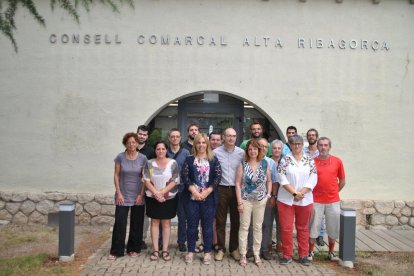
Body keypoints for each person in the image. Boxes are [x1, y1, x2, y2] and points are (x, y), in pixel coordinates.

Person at [181, 133, 222, 265]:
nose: (201, 145)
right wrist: (194, 190)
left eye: (204, 142)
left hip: (208, 199)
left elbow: (217, 178)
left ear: (207, 144)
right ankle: (191, 251)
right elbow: (185, 177)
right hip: (191, 198)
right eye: (199, 142)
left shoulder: (213, 159)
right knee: (192, 226)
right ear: (195, 144)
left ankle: (207, 253)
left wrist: (207, 192)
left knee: (207, 227)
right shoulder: (189, 159)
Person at [277, 134, 317, 266]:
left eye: (299, 144)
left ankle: (303, 255)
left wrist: (302, 193)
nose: (297, 146)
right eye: (294, 144)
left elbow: (313, 178)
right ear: (290, 145)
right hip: (286, 199)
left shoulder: (309, 160)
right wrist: (294, 193)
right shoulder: (285, 160)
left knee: (303, 228)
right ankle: (287, 254)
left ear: (302, 145)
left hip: (304, 199)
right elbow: (281, 177)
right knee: (287, 228)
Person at [108, 133, 148, 260]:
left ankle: (133, 249)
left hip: (138, 196)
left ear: (137, 143)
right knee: (120, 223)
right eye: (129, 142)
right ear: (125, 144)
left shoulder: (143, 158)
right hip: (122, 196)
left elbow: (146, 177)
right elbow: (116, 175)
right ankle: (116, 251)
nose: (131, 144)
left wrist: (141, 195)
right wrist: (118, 193)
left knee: (136, 223)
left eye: (134, 142)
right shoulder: (120, 157)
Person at [308, 137, 346, 262]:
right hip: (316, 200)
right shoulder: (311, 162)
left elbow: (342, 181)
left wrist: (333, 192)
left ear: (329, 147)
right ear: (317, 147)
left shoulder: (337, 161)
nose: (323, 147)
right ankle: (310, 252)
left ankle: (331, 252)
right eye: (321, 145)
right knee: (314, 226)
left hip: (333, 200)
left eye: (325, 145)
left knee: (333, 227)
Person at [236, 139, 272, 267]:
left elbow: (269, 181)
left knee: (258, 227)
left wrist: (268, 195)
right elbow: (238, 184)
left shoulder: (265, 163)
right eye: (250, 149)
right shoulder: (242, 164)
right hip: (245, 200)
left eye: (255, 149)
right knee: (244, 227)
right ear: (247, 151)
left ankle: (256, 253)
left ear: (259, 150)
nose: (252, 151)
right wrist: (239, 201)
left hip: (260, 201)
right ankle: (243, 254)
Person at [143, 141, 180, 261]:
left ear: (166, 150)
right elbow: (146, 180)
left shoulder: (173, 163)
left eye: (163, 149)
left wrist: (162, 192)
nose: (160, 151)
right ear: (155, 150)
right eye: (158, 149)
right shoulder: (149, 163)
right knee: (154, 222)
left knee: (166, 223)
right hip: (152, 197)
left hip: (168, 198)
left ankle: (165, 250)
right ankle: (155, 250)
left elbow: (175, 180)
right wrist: (156, 193)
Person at [213, 128, 244, 261]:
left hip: (237, 190)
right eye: (229, 136)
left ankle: (233, 249)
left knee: (236, 221)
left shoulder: (241, 153)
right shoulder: (215, 152)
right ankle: (220, 249)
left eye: (234, 136)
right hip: (221, 189)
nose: (231, 138)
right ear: (224, 137)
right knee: (220, 221)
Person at [167, 128, 190, 252]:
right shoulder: (164, 152)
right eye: (172, 136)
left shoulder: (186, 153)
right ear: (169, 138)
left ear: (180, 138)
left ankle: (181, 242)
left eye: (177, 136)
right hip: (167, 190)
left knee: (182, 218)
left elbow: (189, 170)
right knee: (165, 217)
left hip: (182, 190)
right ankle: (161, 241)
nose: (175, 138)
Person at [303, 128, 324, 246]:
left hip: (318, 185)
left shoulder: (320, 151)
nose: (311, 137)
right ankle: (308, 234)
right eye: (309, 135)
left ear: (317, 137)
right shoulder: (303, 151)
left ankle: (320, 235)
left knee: (320, 212)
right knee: (308, 211)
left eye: (313, 135)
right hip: (306, 184)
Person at [136, 125, 155, 249]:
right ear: (137, 133)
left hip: (145, 186)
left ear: (147, 136)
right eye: (140, 134)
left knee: (144, 215)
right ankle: (133, 237)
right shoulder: (131, 147)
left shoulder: (151, 151)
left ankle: (141, 238)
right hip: (131, 186)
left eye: (144, 134)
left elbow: (153, 169)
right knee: (133, 214)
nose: (142, 136)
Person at [208, 130, 222, 252]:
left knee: (217, 218)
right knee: (206, 218)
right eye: (213, 139)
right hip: (205, 190)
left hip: (220, 189)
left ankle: (216, 242)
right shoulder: (204, 153)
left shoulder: (222, 153)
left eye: (218, 140)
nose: (215, 142)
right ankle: (206, 242)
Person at [269, 139, 284, 254]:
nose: (277, 150)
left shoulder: (286, 161)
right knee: (268, 221)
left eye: (279, 148)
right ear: (271, 149)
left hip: (283, 197)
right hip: (270, 196)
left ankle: (280, 244)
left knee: (281, 223)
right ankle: (268, 243)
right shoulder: (267, 161)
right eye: (274, 148)